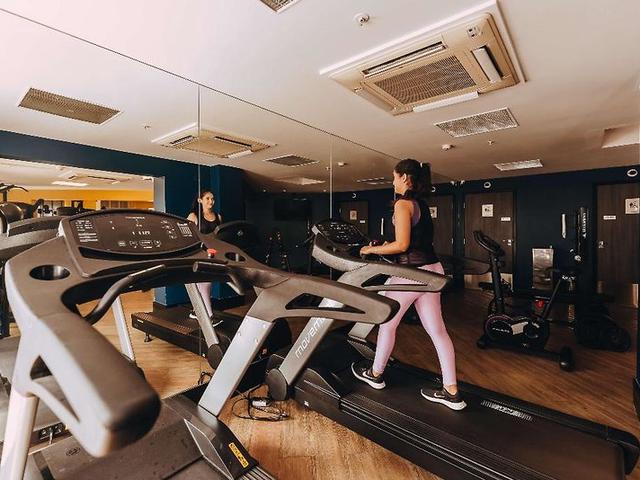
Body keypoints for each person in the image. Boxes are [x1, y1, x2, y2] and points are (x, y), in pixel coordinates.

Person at [351, 159, 466, 411]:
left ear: (404, 177)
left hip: (411, 273)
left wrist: (371, 249)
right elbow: (412, 242)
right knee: (437, 331)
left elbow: (402, 244)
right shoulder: (420, 204)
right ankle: (451, 391)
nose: (392, 182)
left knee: (387, 323)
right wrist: (386, 247)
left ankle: (375, 374)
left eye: (394, 177)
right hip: (432, 270)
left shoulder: (403, 204)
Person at [187, 190, 223, 324]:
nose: (211, 201)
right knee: (205, 283)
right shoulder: (194, 216)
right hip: (198, 254)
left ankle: (196, 311)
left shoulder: (218, 217)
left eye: (212, 199)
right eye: (207, 198)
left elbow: (220, 238)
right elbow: (188, 237)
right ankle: (209, 316)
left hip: (213, 254)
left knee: (207, 283)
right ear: (200, 200)